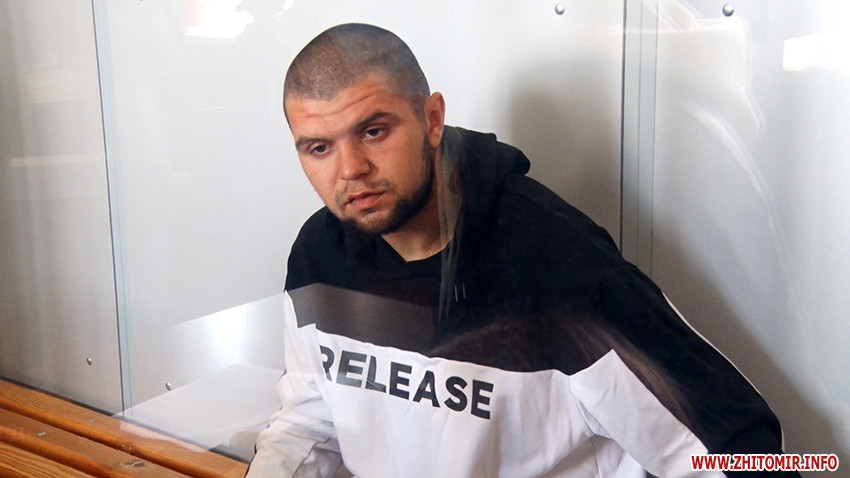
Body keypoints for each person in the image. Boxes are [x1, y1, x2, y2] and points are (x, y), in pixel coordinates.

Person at [247, 23, 794, 477]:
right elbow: (309, 421)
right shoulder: (319, 254)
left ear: (431, 120)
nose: (349, 170)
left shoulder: (562, 270)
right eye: (319, 147)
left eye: (373, 131)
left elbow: (745, 456)